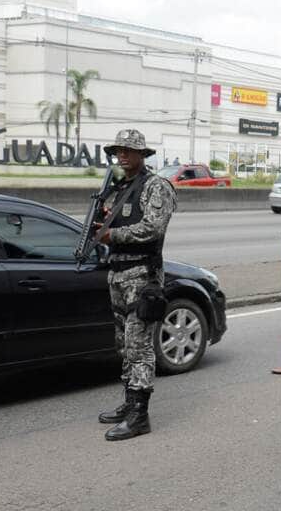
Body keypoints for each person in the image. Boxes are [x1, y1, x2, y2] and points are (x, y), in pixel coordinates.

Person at [94, 129, 177, 441]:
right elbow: (111, 223)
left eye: (129, 150)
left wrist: (110, 235)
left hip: (142, 276)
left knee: (139, 345)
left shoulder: (156, 186)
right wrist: (103, 220)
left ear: (143, 154)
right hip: (117, 274)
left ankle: (140, 416)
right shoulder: (119, 188)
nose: (123, 155)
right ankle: (129, 404)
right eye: (119, 150)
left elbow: (152, 228)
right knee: (123, 344)